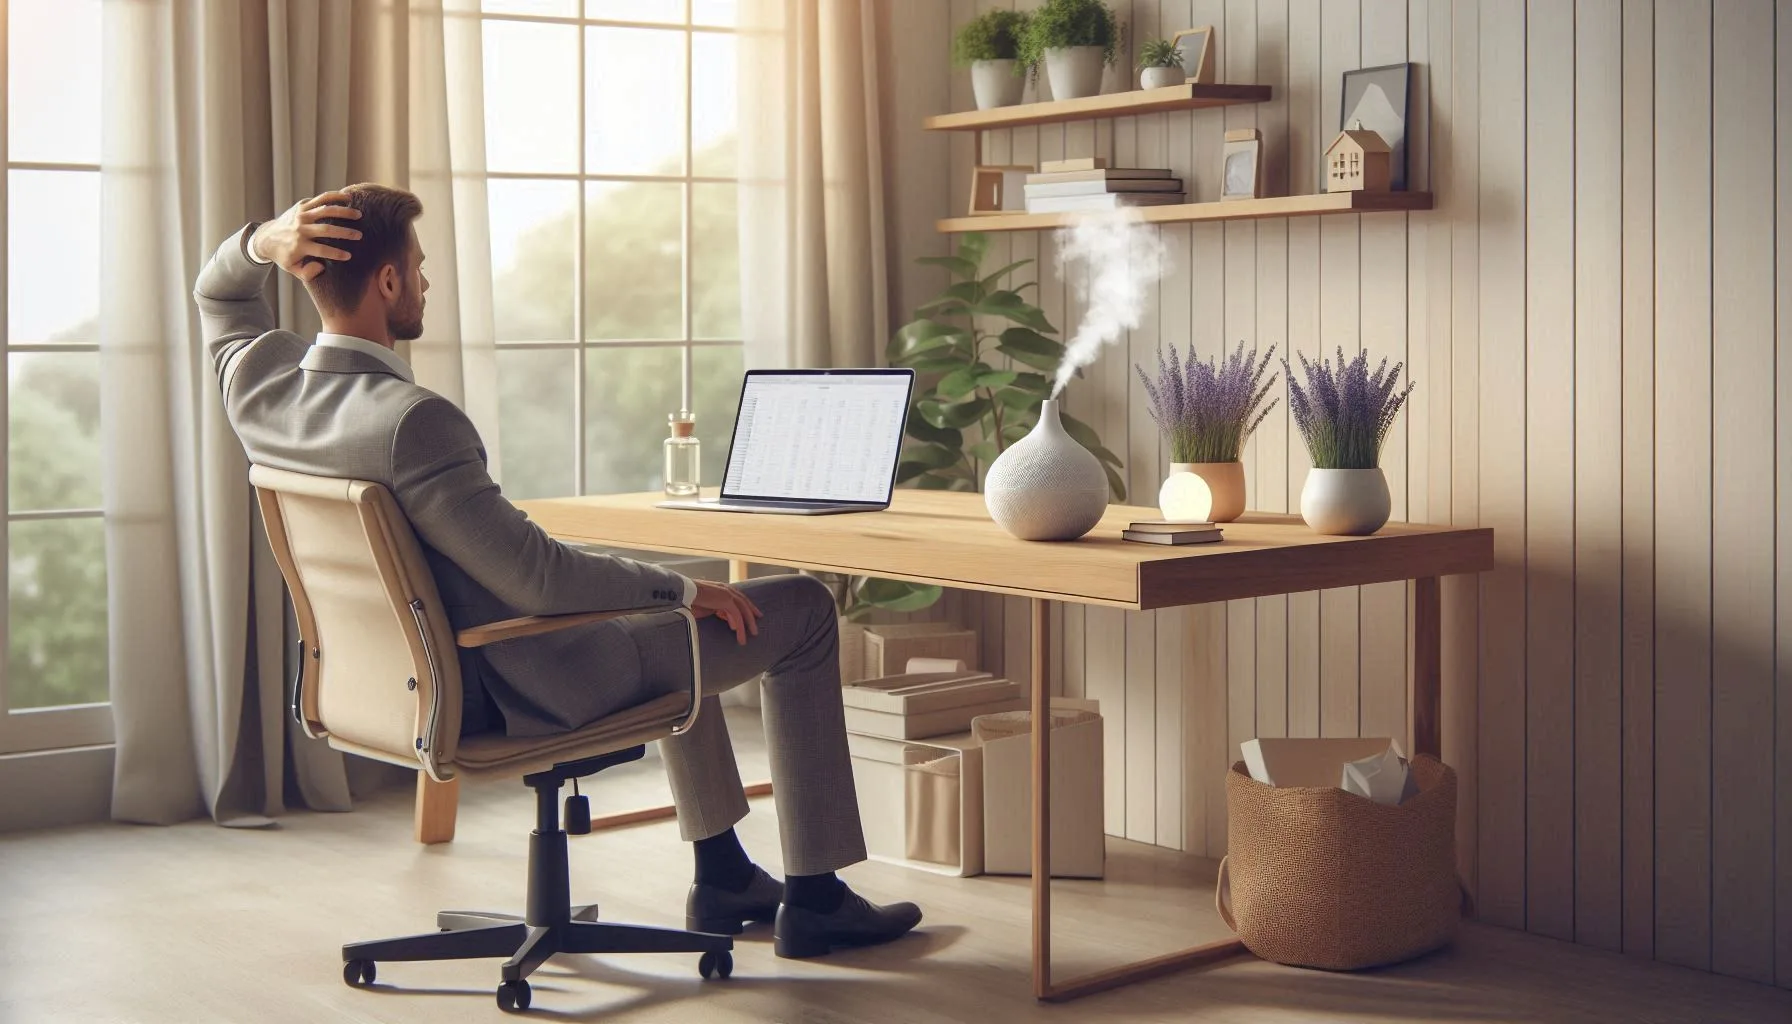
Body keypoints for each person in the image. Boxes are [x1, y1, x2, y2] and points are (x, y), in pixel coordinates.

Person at [193, 185, 920, 959]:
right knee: (800, 607)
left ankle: (724, 875)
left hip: (397, 688)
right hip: (525, 684)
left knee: (670, 615)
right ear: (389, 283)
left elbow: (218, 292)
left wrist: (263, 241)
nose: (428, 283)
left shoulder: (261, 395)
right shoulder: (414, 423)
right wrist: (680, 586)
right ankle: (816, 897)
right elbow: (540, 582)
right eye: (421, 266)